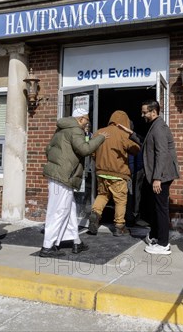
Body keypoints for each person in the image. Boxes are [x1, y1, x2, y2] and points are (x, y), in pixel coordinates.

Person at [41, 108, 106, 257]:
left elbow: (48, 148)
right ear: (81, 119)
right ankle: (47, 246)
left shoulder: (61, 129)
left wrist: (57, 162)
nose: (87, 122)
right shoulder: (75, 130)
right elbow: (84, 149)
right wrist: (101, 138)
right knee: (59, 211)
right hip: (64, 176)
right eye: (87, 119)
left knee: (69, 209)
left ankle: (76, 242)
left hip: (58, 174)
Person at [136, 100, 179, 255]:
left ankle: (163, 244)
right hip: (160, 174)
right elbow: (147, 144)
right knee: (155, 207)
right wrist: (131, 135)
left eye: (144, 112)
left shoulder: (159, 128)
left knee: (161, 209)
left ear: (153, 112)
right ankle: (155, 236)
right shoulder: (155, 126)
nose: (143, 115)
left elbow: (161, 153)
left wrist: (157, 178)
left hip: (162, 175)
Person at [88, 111, 140, 237]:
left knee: (102, 195)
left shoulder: (98, 132)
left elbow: (92, 152)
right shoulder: (123, 134)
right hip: (118, 173)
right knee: (120, 200)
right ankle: (119, 226)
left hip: (101, 173)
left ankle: (95, 214)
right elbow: (135, 149)